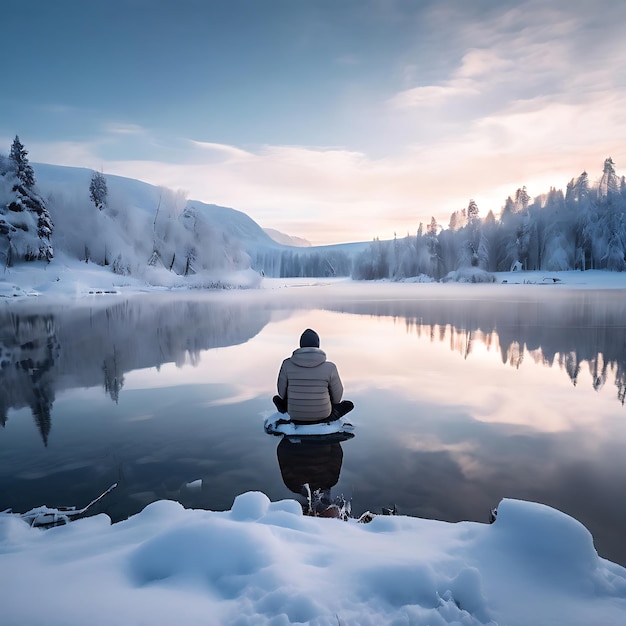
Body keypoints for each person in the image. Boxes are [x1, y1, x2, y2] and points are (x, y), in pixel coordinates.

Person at [273, 328, 354, 424]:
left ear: (301, 345)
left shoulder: (286, 364)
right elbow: (337, 398)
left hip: (295, 414)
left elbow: (281, 394)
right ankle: (325, 417)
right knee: (348, 405)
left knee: (277, 399)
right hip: (323, 415)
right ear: (318, 345)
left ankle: (287, 410)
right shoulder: (330, 367)